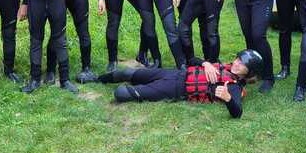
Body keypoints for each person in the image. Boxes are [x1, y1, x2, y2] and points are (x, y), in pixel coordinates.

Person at [98, 49, 263, 118]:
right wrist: (205, 63)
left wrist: (228, 99)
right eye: (238, 59)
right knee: (125, 72)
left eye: (242, 64)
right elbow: (192, 60)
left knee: (121, 93)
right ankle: (97, 79)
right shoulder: (223, 66)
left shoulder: (233, 87)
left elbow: (237, 113)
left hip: (175, 89)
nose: (236, 63)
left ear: (249, 73)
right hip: (175, 74)